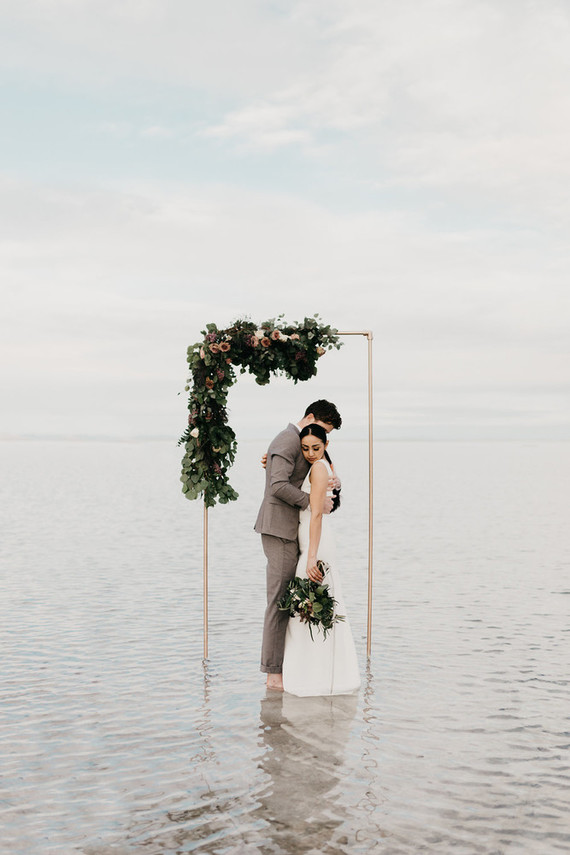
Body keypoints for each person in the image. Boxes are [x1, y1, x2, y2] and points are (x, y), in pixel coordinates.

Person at [255, 400, 342, 691]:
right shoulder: (287, 440)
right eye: (321, 427)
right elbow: (278, 485)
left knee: (290, 599)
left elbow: (303, 476)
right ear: (311, 418)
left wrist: (334, 484)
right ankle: (273, 674)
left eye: (325, 436)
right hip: (279, 529)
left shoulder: (303, 443)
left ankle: (292, 666)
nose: (319, 440)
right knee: (278, 600)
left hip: (295, 530)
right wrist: (312, 502)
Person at [282, 424, 360, 696]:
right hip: (316, 538)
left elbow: (316, 514)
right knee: (312, 607)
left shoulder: (318, 468)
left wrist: (311, 556)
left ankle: (312, 674)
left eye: (316, 447)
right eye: (305, 448)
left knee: (308, 607)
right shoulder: (325, 464)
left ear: (326, 443)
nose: (311, 453)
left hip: (316, 541)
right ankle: (323, 672)